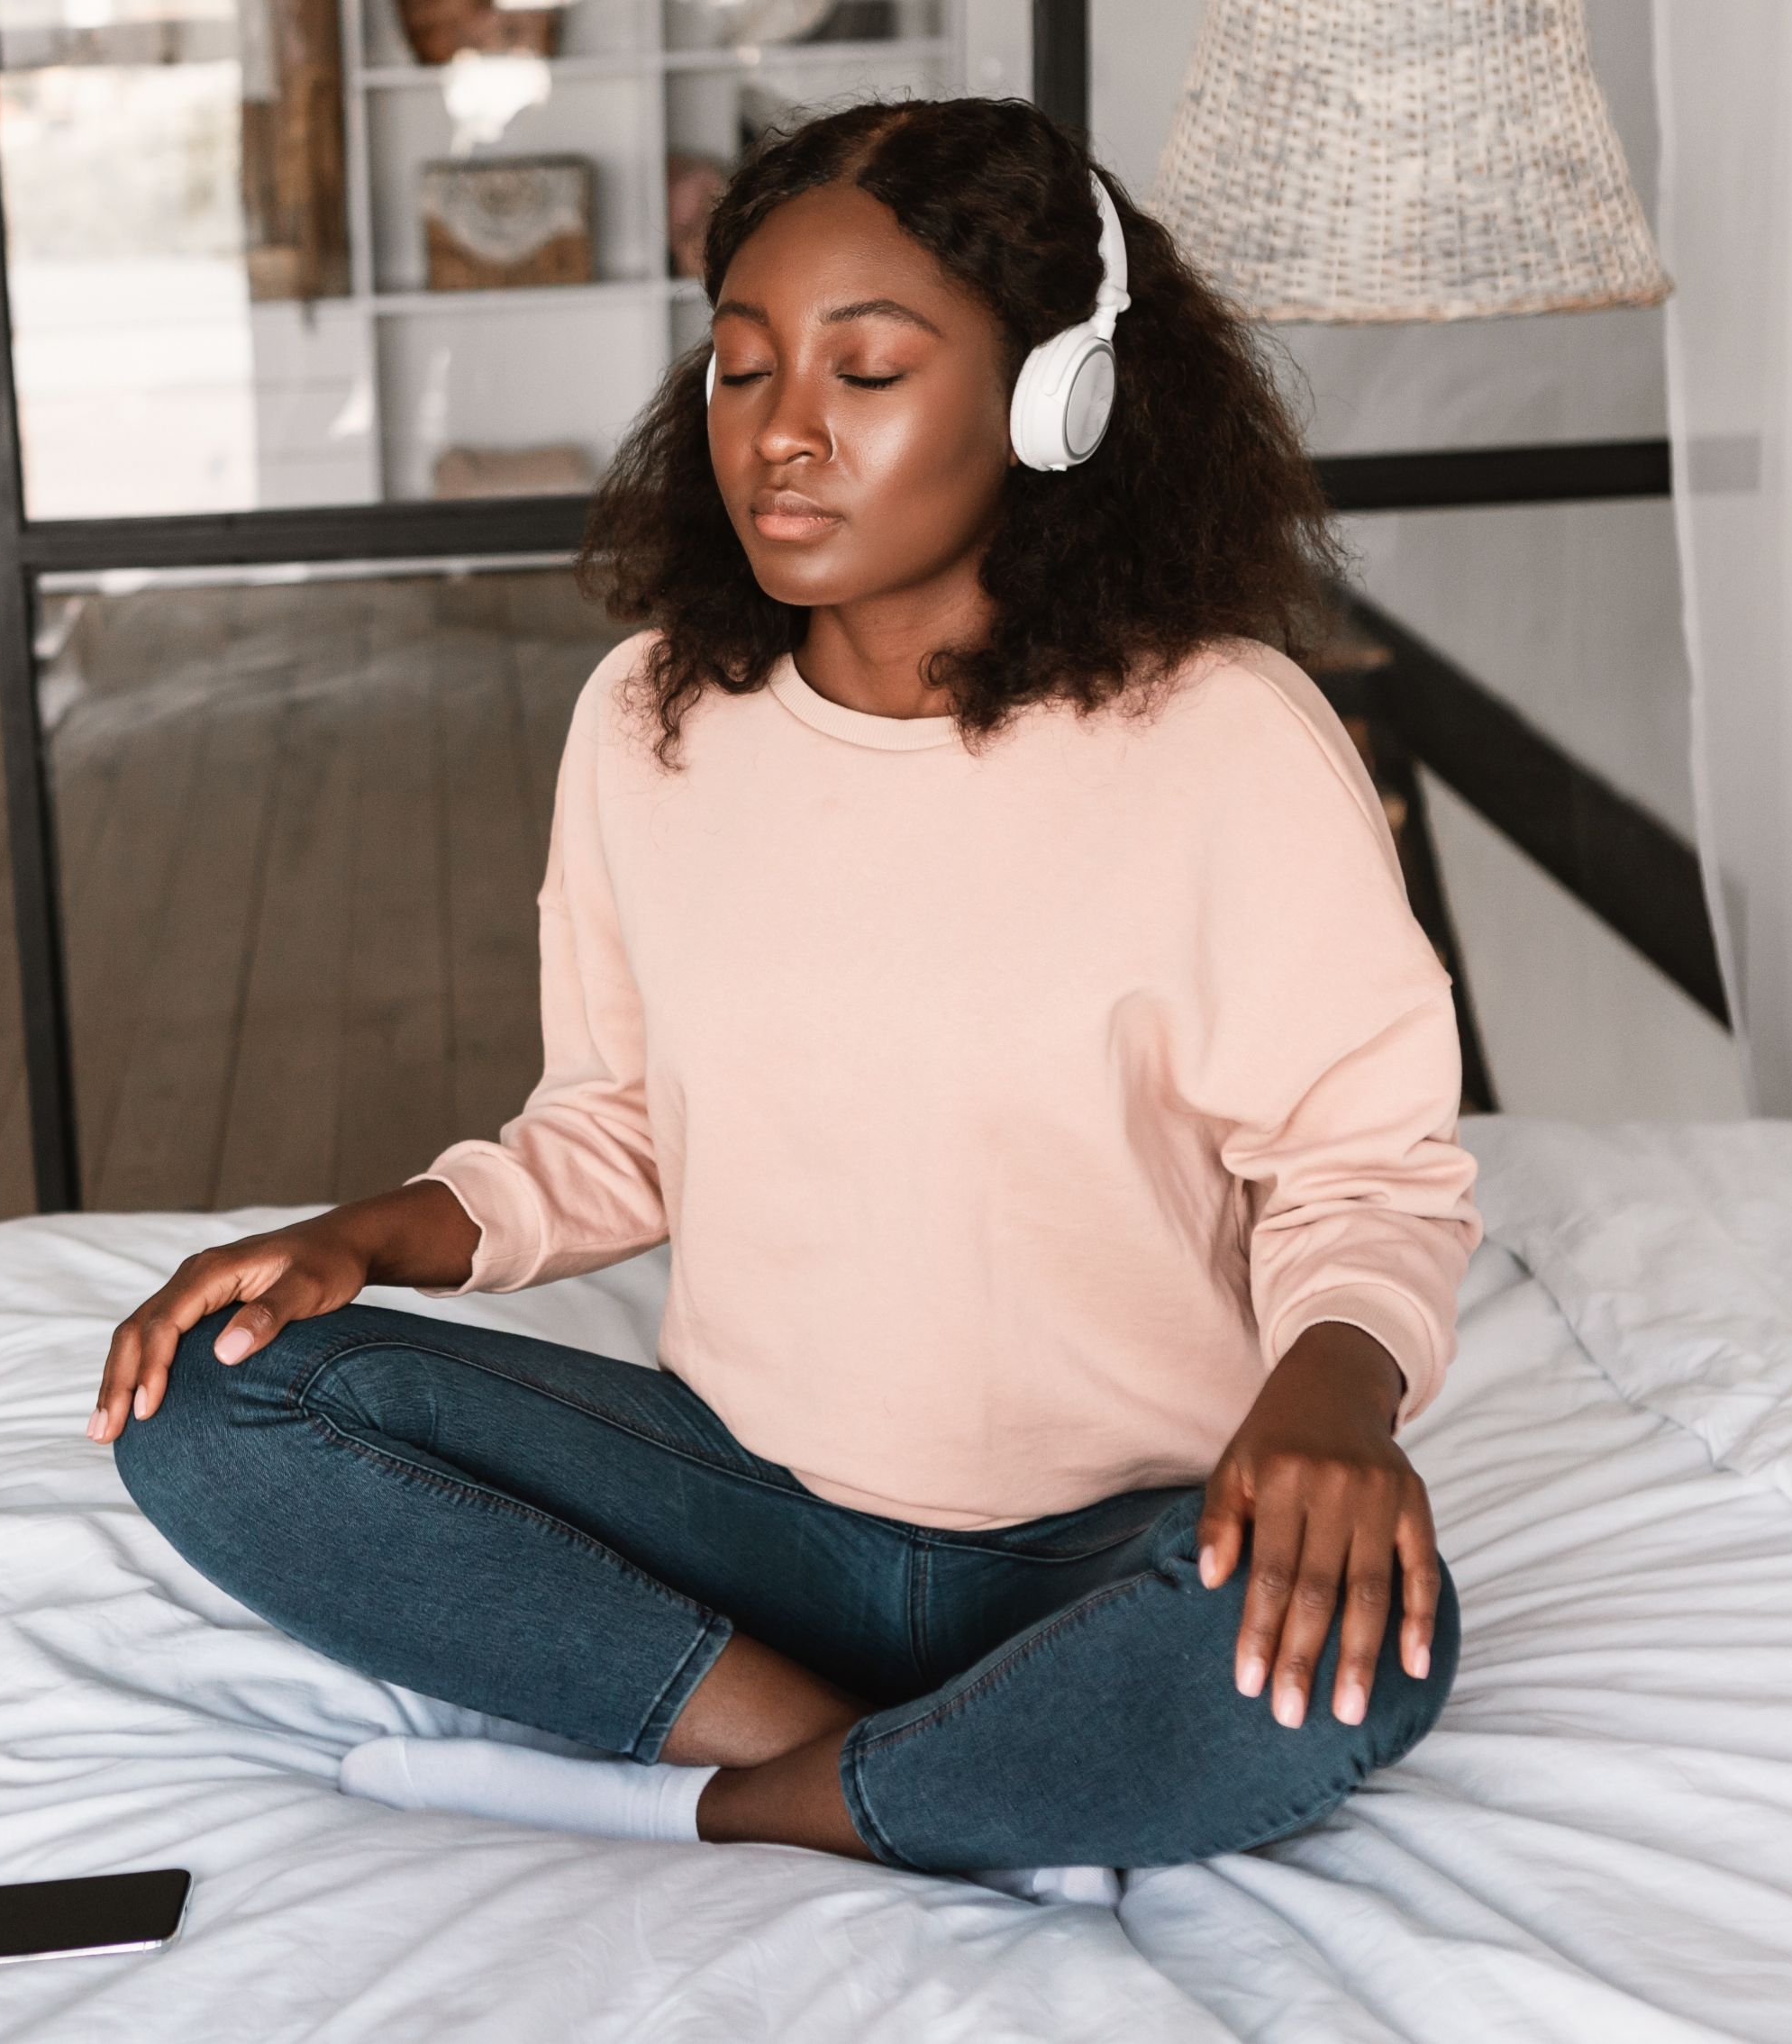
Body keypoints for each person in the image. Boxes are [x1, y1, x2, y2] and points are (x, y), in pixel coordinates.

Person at [91, 97, 1478, 1884]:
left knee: (1366, 1645)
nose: (782, 436)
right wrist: (365, 1238)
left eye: (868, 369)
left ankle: (721, 1792)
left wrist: (1328, 1402)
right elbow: (612, 1129)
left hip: (1123, 1538)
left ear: (1054, 393)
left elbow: (1363, 1175)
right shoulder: (650, 716)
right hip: (747, 1515)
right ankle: (888, 1765)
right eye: (739, 369)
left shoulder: (1221, 739)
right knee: (210, 1397)